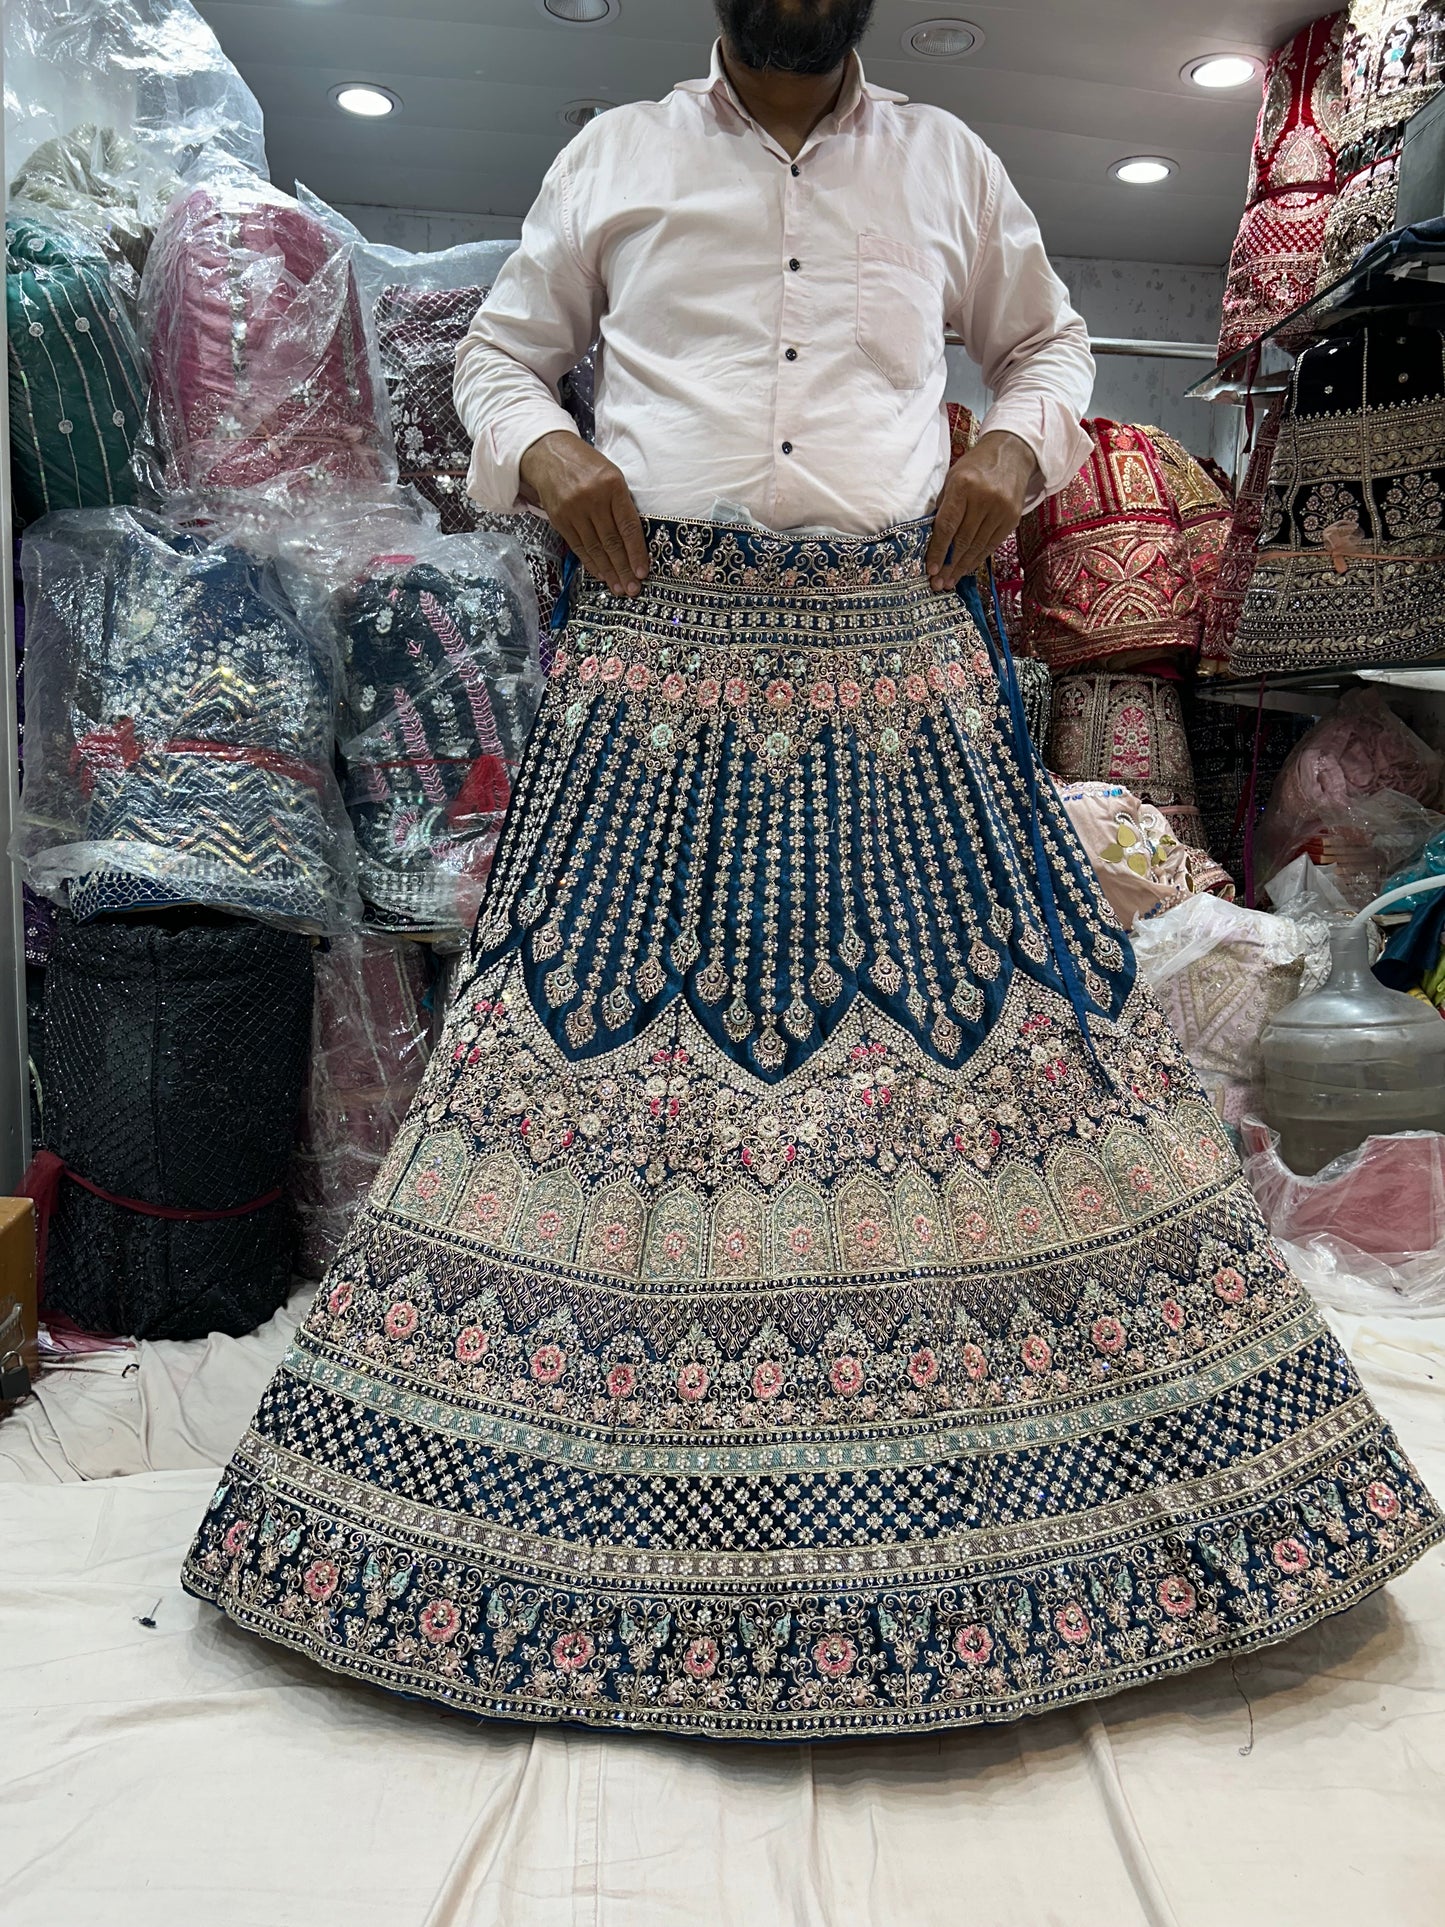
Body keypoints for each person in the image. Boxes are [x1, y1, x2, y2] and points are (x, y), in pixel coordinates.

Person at [183, 1, 1442, 1741]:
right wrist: (548, 454)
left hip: (899, 658)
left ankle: (1041, 1539)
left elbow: (1054, 346)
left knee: (995, 1061)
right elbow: (493, 355)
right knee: (595, 1065)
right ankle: (542, 1543)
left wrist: (1016, 447)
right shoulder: (615, 153)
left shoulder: (946, 163)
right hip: (651, 654)